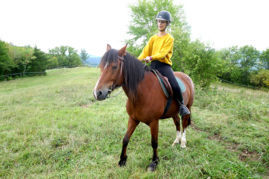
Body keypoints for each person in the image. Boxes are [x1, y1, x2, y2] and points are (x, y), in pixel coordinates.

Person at [138, 10, 190, 119]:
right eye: (158, 21)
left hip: (164, 66)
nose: (160, 24)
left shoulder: (169, 38)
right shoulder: (153, 38)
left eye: (163, 22)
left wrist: (151, 57)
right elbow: (145, 51)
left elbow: (163, 54)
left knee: (175, 85)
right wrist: (138, 60)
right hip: (153, 66)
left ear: (167, 24)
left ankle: (182, 106)